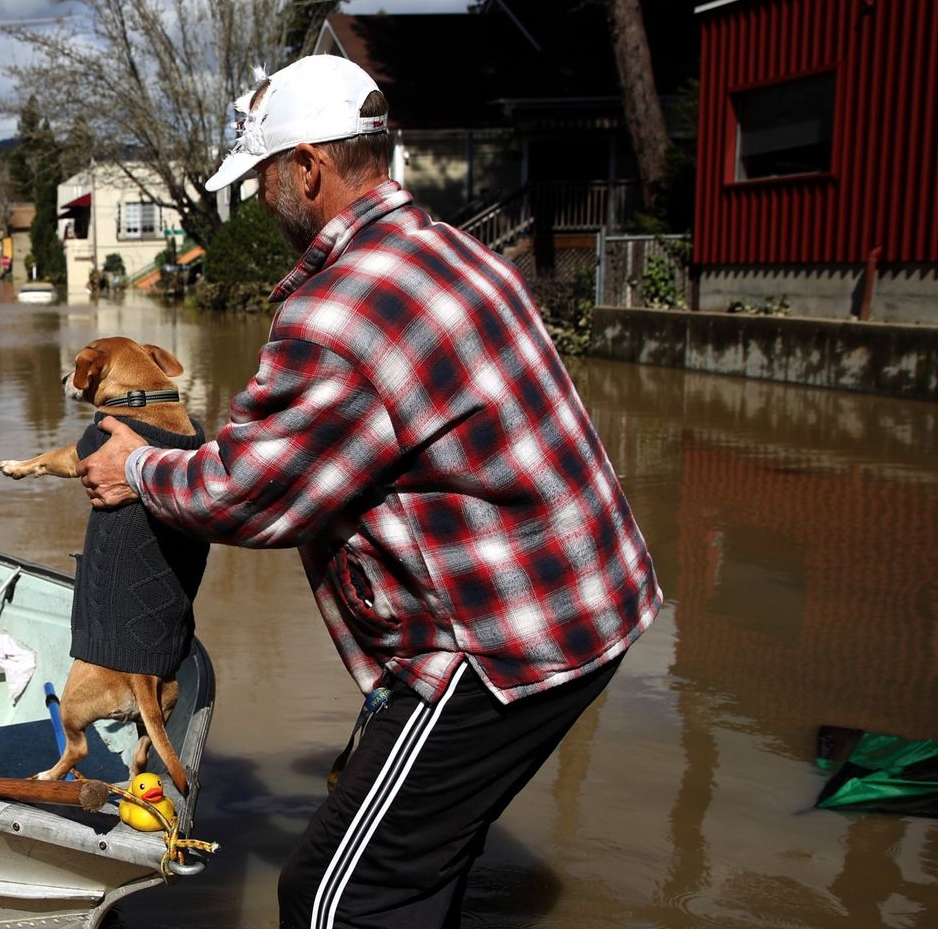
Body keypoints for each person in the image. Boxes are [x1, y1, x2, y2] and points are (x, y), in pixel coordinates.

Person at [76, 55, 663, 929]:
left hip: (497, 641)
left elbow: (249, 493)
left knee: (333, 898)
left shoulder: (339, 310)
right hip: (589, 600)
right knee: (415, 867)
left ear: (307, 168)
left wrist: (136, 468)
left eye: (264, 176)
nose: (259, 198)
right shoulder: (455, 250)